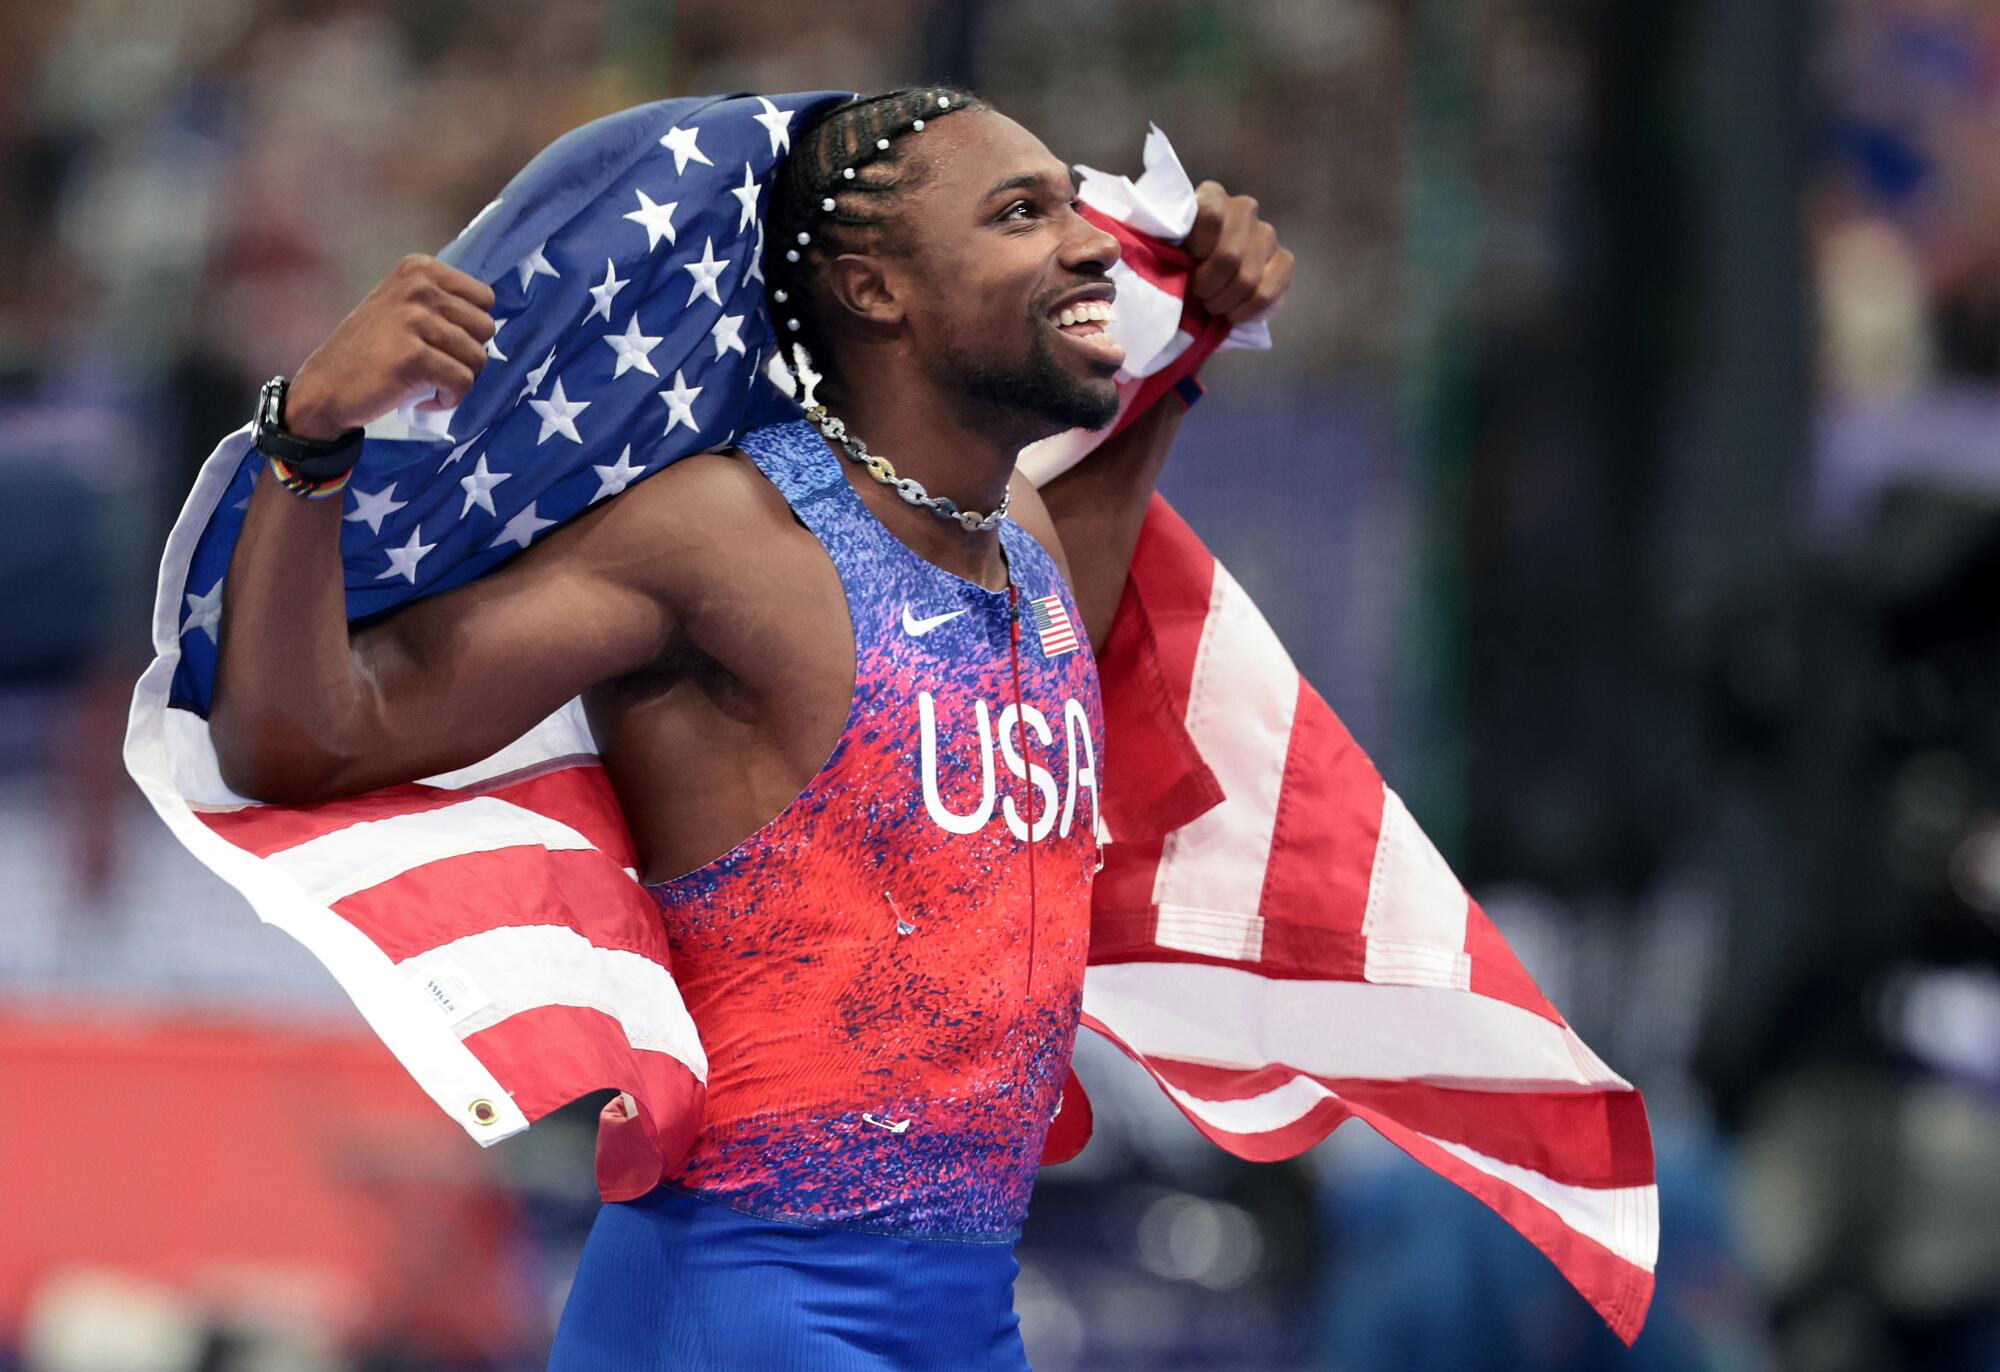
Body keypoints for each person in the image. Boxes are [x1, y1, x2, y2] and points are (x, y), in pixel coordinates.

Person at [207, 87, 1292, 1370]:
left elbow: (1052, 647)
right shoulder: (724, 538)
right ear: (873, 291)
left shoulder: (1021, 536)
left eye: (1068, 204)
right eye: (1020, 213)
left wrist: (1188, 354)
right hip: (741, 1304)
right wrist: (311, 438)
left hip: (971, 1308)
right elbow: (302, 739)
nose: (1093, 242)